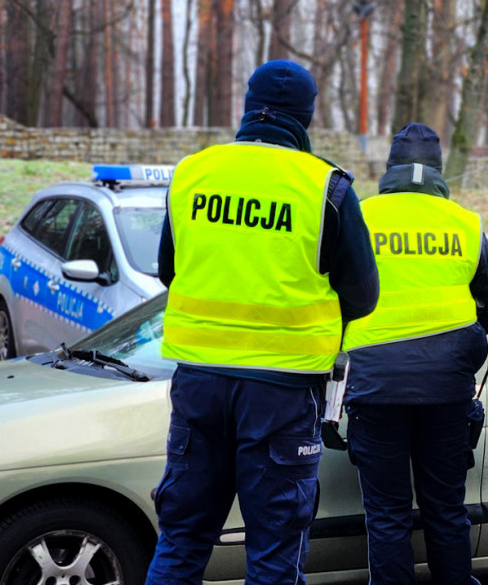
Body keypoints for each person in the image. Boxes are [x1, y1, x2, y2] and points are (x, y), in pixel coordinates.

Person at [146, 60, 380, 585]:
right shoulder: (327, 188)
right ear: (306, 117)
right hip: (282, 391)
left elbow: (169, 269)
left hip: (199, 382)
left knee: (181, 540)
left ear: (248, 107)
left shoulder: (192, 174)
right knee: (274, 552)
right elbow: (363, 297)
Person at [342, 123, 488, 585]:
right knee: (445, 509)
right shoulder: (464, 223)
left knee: (387, 515)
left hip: (374, 387)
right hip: (447, 390)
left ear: (389, 169)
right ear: (438, 172)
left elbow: (333, 296)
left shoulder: (360, 215)